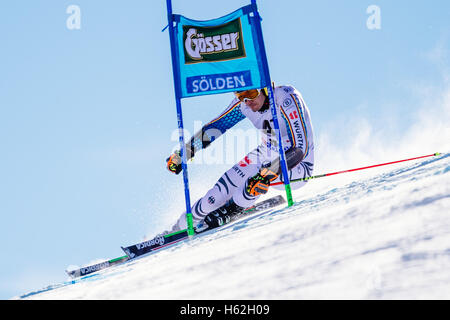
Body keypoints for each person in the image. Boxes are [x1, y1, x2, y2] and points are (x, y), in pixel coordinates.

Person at [165, 84, 314, 232]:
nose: (248, 101)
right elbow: (217, 126)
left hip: (297, 165)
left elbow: (300, 149)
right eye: (241, 96)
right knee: (214, 197)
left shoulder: (285, 99)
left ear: (263, 88)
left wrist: (269, 173)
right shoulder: (243, 105)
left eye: (251, 93)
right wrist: (184, 153)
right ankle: (179, 227)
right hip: (265, 154)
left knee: (256, 180)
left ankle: (232, 210)